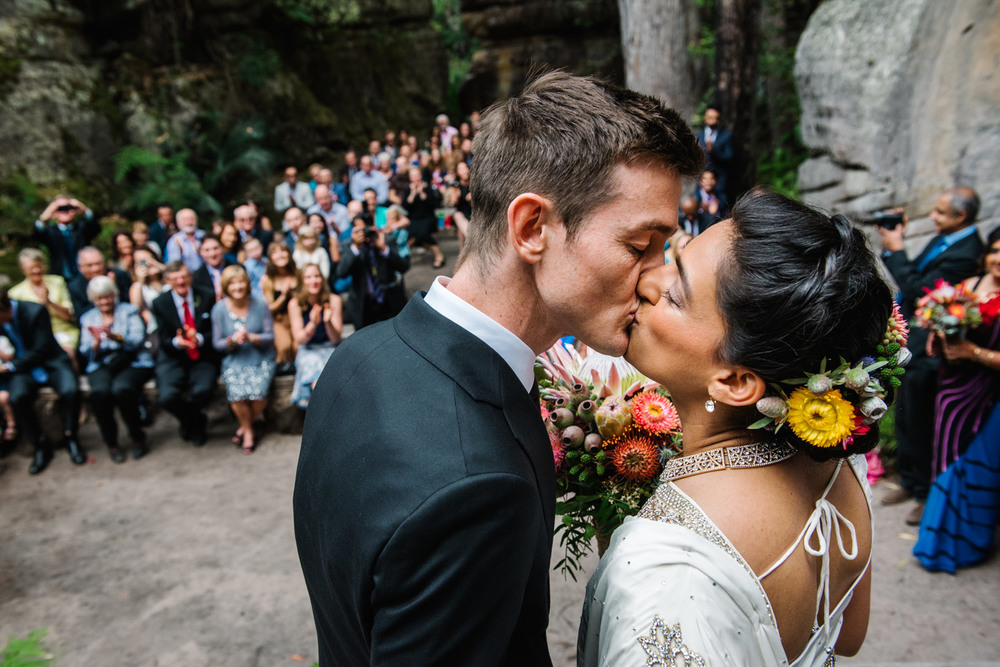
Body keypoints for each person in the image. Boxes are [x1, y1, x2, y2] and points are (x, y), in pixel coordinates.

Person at [294, 71, 702, 665]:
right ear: (533, 228)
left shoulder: (360, 355)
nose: (658, 275)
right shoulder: (479, 491)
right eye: (640, 245)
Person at [579, 191, 895, 666]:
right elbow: (846, 639)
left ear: (736, 381)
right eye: (673, 260)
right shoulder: (839, 461)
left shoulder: (666, 570)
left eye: (675, 294)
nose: (648, 279)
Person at [878, 187, 984, 525]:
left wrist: (896, 250)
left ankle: (926, 493)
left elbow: (919, 286)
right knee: (908, 413)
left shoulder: (967, 252)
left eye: (939, 212)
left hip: (933, 348)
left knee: (926, 420)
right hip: (916, 343)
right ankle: (910, 480)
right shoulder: (946, 238)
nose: (932, 217)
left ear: (960, 217)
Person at [927, 226, 1000, 475]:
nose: (998, 259)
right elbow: (947, 321)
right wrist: (937, 334)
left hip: (991, 390)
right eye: (995, 251)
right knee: (948, 448)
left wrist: (974, 352)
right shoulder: (970, 284)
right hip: (954, 384)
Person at [0, 284, 84, 474]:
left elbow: (42, 348)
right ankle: (39, 444)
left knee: (70, 389)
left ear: (4, 309)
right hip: (23, 369)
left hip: (50, 361)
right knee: (17, 397)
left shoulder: (35, 311)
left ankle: (71, 437)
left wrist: (8, 367)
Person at [79, 276, 154, 462]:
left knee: (122, 390)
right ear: (93, 299)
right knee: (100, 393)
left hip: (131, 361)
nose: (104, 302)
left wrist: (115, 337)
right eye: (99, 298)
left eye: (107, 297)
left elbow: (137, 340)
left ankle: (137, 437)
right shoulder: (88, 318)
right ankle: (111, 442)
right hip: (101, 363)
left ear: (114, 295)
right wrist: (95, 343)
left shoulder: (129, 311)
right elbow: (84, 350)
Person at [151, 261, 219, 447]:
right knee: (166, 397)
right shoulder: (160, 303)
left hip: (202, 355)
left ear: (190, 277)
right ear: (168, 280)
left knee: (203, 391)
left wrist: (199, 338)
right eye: (175, 279)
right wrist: (177, 342)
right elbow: (163, 337)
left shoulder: (207, 295)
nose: (181, 281)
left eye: (184, 277)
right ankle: (193, 421)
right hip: (174, 357)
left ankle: (193, 424)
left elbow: (216, 330)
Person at [211, 265, 276, 454]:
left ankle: (243, 427)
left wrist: (251, 338)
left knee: (259, 395)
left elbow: (270, 337)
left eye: (240, 282)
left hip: (260, 358)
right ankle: (248, 431)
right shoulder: (219, 310)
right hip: (235, 360)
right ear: (226, 286)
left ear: (247, 283)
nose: (237, 287)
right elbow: (217, 343)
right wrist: (231, 341)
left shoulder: (260, 304)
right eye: (232, 283)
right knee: (237, 396)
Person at [336, 213, 410, 329]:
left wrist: (384, 248)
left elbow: (403, 267)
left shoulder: (386, 240)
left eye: (367, 229)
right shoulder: (349, 245)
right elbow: (341, 272)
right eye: (360, 230)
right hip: (363, 304)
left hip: (388, 302)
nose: (364, 233)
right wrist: (355, 247)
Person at [10, 248, 79, 366]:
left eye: (38, 266)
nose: (36, 270)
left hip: (62, 331)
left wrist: (48, 302)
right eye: (31, 268)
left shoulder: (57, 282)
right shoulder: (15, 293)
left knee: (67, 355)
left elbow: (70, 316)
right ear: (23, 269)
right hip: (35, 337)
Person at [287, 263, 342, 409]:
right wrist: (312, 323)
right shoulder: (295, 304)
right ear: (302, 281)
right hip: (308, 349)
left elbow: (335, 339)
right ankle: (324, 410)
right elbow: (299, 340)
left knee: (332, 367)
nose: (314, 281)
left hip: (330, 348)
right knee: (313, 365)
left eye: (317, 276)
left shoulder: (334, 300)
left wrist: (327, 321)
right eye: (308, 277)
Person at [32, 196, 99, 280]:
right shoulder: (51, 231)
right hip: (60, 276)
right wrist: (45, 215)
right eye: (61, 209)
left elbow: (95, 227)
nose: (65, 211)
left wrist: (83, 209)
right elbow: (37, 234)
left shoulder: (81, 228)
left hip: (84, 277)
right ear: (55, 212)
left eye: (68, 207)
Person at [68, 246, 134, 326]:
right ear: (80, 267)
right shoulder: (75, 286)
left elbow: (130, 303)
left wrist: (113, 288)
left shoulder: (119, 275)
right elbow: (80, 315)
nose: (95, 269)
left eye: (98, 263)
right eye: (89, 265)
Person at [260, 242, 299, 372]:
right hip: (279, 319)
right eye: (275, 252)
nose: (280, 255)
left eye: (283, 251)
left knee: (297, 346)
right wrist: (283, 296)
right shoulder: (267, 279)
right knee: (285, 346)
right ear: (270, 258)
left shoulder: (298, 274)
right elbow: (269, 308)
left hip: (298, 318)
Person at [129, 246, 169, 354]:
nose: (147, 264)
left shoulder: (168, 278)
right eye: (141, 262)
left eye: (148, 259)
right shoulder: (138, 287)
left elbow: (182, 282)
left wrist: (161, 268)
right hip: (156, 330)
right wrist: (140, 280)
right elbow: (136, 307)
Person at [403, 167, 445, 268]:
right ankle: (403, 260)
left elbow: (432, 205)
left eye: (417, 175)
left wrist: (422, 193)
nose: (416, 178)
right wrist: (413, 193)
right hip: (414, 219)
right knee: (411, 234)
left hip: (427, 218)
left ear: (420, 176)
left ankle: (439, 256)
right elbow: (406, 207)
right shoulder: (408, 190)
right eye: (413, 176)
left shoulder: (428, 188)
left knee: (423, 234)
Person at [696, 104, 734, 199]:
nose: (713, 121)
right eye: (710, 117)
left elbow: (729, 157)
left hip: (720, 181)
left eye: (715, 118)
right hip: (702, 180)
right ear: (705, 118)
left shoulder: (726, 135)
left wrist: (714, 150)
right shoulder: (698, 135)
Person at [192, 234, 233, 302]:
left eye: (215, 248)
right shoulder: (196, 277)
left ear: (222, 248)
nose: (212, 254)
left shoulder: (236, 268)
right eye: (207, 250)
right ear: (201, 252)